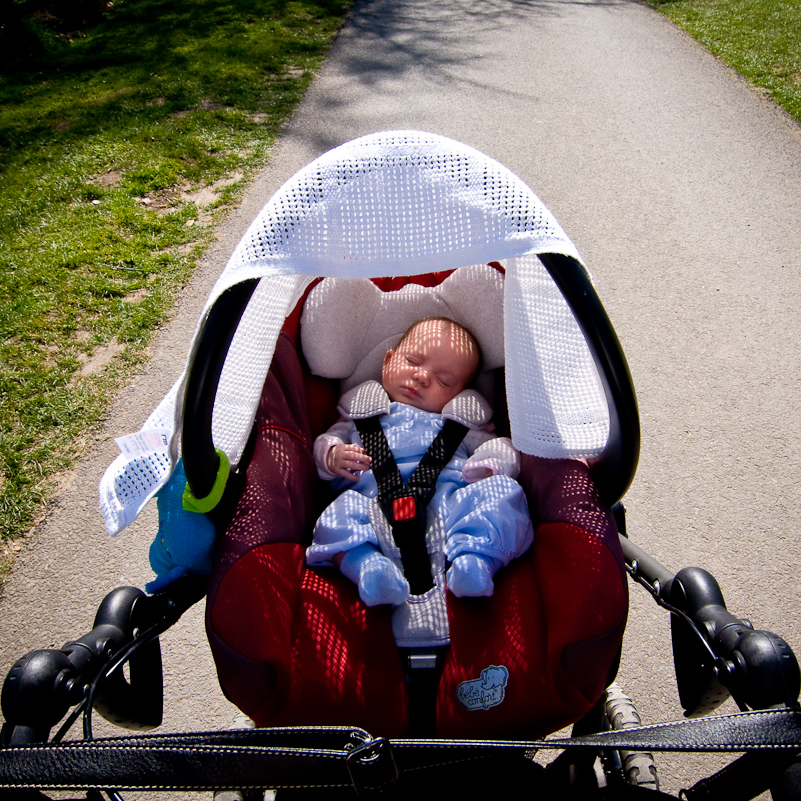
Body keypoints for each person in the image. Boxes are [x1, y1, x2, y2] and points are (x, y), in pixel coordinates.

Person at [306, 317, 534, 606]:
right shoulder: (359, 415)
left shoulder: (460, 423)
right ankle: (369, 569)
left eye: (444, 380)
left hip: (449, 509)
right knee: (336, 516)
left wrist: (491, 464)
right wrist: (331, 455)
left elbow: (504, 449)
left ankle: (475, 561)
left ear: (459, 393)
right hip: (371, 508)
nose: (423, 377)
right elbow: (325, 442)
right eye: (413, 361)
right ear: (388, 361)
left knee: (503, 492)